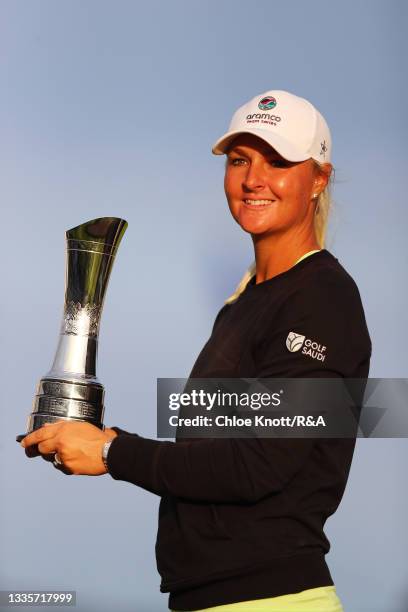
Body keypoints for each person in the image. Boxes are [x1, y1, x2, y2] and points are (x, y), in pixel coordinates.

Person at [21, 90, 372, 612]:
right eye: (239, 161)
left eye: (278, 161)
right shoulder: (244, 303)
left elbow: (260, 463)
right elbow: (215, 452)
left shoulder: (322, 298)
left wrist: (112, 452)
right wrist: (92, 435)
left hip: (272, 597)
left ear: (318, 178)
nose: (254, 179)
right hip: (209, 597)